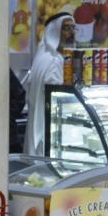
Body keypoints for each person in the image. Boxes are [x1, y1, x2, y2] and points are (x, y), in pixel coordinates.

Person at [20, 14, 74, 157]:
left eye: (73, 28)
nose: (71, 33)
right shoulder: (53, 61)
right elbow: (57, 97)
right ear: (54, 32)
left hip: (41, 125)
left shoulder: (43, 56)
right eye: (66, 28)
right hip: (48, 130)